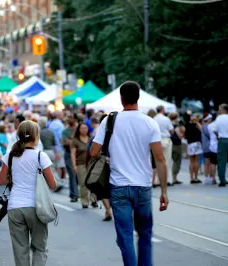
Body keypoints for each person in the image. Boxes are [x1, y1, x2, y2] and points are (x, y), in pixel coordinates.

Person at [90, 81, 169, 266]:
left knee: (125, 236)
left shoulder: (110, 121)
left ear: (121, 98)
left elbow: (94, 152)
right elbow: (160, 158)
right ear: (139, 97)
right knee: (145, 235)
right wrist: (164, 191)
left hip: (119, 187)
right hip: (143, 186)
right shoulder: (150, 123)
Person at [0, 120, 57, 266]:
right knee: (40, 248)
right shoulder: (40, 156)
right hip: (36, 207)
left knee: (20, 249)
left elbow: (1, 181)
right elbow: (53, 184)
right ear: (36, 136)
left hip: (15, 207)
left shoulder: (10, 156)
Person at [71, 123, 97, 209]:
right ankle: (85, 201)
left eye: (85, 128)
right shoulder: (75, 140)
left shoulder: (91, 139)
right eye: (82, 128)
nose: (84, 130)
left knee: (92, 182)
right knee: (83, 183)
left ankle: (94, 200)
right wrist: (74, 165)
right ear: (79, 130)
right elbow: (73, 154)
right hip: (80, 164)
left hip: (91, 163)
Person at [154, 105, 174, 186]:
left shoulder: (154, 119)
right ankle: (166, 180)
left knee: (157, 161)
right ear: (162, 110)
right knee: (166, 160)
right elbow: (171, 130)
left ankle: (157, 180)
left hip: (156, 140)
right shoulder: (166, 119)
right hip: (165, 139)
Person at [62, 113, 79, 202]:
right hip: (69, 154)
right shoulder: (65, 131)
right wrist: (75, 140)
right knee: (72, 174)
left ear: (75, 119)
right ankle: (74, 194)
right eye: (68, 117)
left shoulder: (79, 128)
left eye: (71, 117)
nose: (69, 119)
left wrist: (72, 140)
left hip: (80, 154)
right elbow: (66, 143)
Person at [185, 115, 203, 184]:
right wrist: (197, 123)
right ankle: (196, 177)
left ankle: (191, 178)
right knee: (196, 161)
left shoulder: (187, 125)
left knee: (191, 162)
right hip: (197, 144)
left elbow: (185, 135)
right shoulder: (197, 125)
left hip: (190, 144)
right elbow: (202, 130)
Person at [214, 103, 228, 187]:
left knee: (222, 160)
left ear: (224, 110)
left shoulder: (219, 118)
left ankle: (222, 179)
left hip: (222, 139)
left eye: (220, 109)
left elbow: (215, 130)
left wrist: (218, 136)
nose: (219, 111)